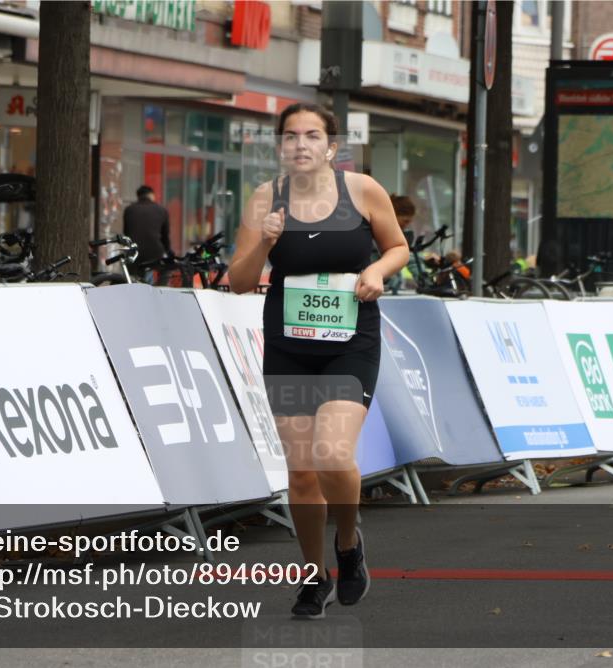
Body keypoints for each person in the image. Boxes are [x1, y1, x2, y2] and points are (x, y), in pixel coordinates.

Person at [230, 103, 409, 619]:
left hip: (351, 342)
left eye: (312, 136)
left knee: (333, 455)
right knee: (302, 474)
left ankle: (349, 544)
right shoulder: (266, 198)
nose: (300, 145)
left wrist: (376, 269)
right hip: (289, 347)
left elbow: (398, 247)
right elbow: (239, 282)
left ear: (331, 146)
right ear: (280, 146)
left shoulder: (362, 191)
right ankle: (313, 576)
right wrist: (265, 240)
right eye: (290, 136)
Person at [123, 185, 172, 266]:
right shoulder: (161, 210)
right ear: (151, 195)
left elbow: (126, 232)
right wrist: (168, 251)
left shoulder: (129, 210)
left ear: (138, 196)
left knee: (133, 276)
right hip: (155, 252)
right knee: (162, 273)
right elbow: (165, 236)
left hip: (134, 251)